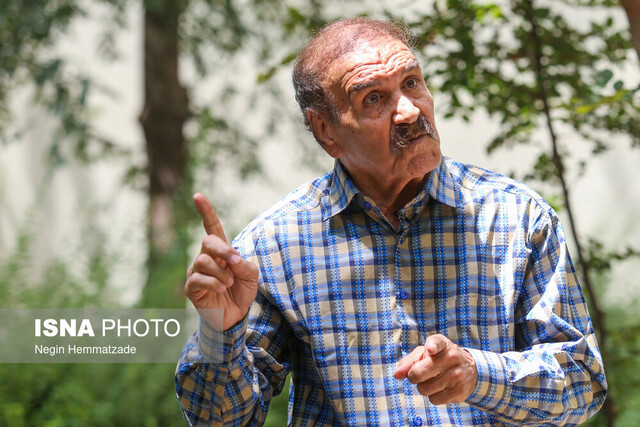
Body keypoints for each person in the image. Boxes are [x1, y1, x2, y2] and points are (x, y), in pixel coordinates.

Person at [175, 17, 607, 426]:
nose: (409, 111)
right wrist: (222, 332)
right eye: (374, 99)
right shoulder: (274, 247)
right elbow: (222, 419)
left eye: (412, 83)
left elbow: (582, 382)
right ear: (326, 130)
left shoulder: (517, 218)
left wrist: (478, 374)